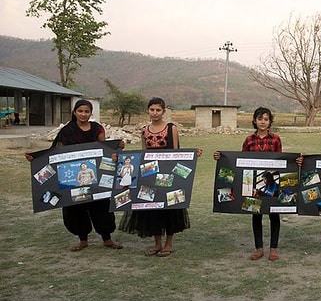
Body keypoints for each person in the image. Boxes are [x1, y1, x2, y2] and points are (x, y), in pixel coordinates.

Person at [25, 99, 123, 252]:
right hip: (72, 180)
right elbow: (56, 152)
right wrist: (36, 158)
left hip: (95, 179)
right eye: (80, 111)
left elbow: (105, 150)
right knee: (75, 209)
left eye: (87, 111)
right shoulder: (67, 131)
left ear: (91, 113)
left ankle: (107, 239)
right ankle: (82, 240)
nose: (83, 114)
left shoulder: (98, 129)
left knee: (101, 207)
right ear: (74, 112)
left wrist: (116, 147)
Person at [119, 97, 200, 257]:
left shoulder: (172, 129)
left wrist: (192, 155)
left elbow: (177, 152)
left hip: (169, 175)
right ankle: (157, 244)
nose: (155, 113)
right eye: (152, 109)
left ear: (163, 111)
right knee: (152, 207)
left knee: (170, 208)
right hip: (150, 175)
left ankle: (168, 244)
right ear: (148, 110)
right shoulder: (144, 130)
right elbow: (143, 154)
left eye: (158, 110)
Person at [214, 107, 283, 261]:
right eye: (260, 119)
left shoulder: (276, 139)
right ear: (254, 121)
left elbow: (282, 162)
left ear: (270, 121)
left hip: (273, 186)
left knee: (274, 215)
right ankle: (259, 248)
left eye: (266, 119)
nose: (263, 122)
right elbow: (240, 161)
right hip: (252, 183)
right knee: (256, 215)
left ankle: (273, 249)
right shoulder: (249, 140)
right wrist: (222, 157)